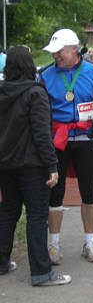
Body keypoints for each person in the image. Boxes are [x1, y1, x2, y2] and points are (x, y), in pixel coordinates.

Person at [0, 46, 71, 286]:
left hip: (5, 162)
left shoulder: (2, 92)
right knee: (37, 216)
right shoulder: (35, 93)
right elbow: (42, 134)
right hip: (32, 164)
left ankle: (2, 262)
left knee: (8, 212)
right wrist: (52, 166)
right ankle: (41, 271)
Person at [38, 29, 93, 265]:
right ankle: (54, 245)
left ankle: (89, 241)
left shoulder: (92, 72)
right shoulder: (45, 75)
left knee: (89, 192)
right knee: (54, 192)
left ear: (74, 50)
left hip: (84, 139)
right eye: (53, 52)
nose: (56, 56)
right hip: (57, 140)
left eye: (60, 52)